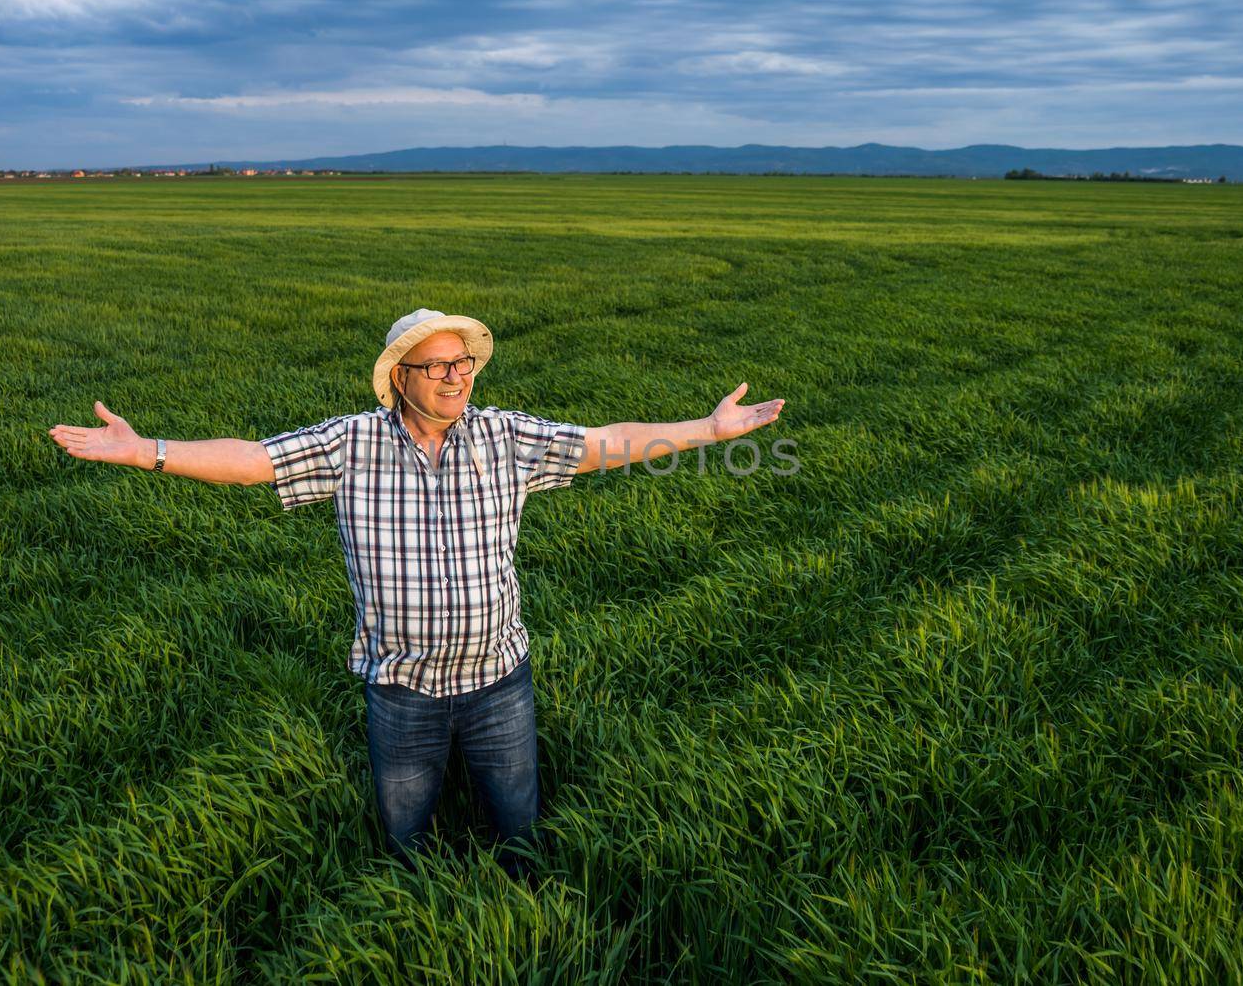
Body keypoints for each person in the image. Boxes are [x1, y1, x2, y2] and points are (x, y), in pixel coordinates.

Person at [47, 308, 785, 880]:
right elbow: (255, 460)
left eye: (461, 363)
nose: (454, 377)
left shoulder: (506, 438)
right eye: (434, 367)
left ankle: (522, 906)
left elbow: (606, 439)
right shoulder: (352, 444)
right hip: (401, 689)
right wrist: (147, 450)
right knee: (407, 835)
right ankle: (414, 912)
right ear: (398, 376)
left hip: (501, 681)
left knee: (519, 824)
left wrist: (711, 430)